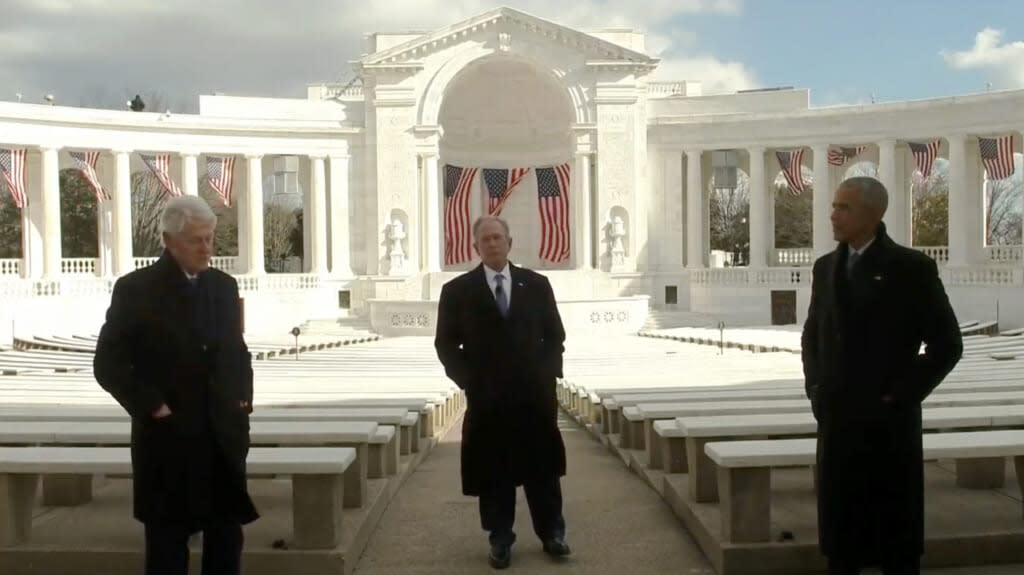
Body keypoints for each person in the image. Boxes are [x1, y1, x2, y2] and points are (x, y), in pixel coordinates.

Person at [801, 177, 963, 575]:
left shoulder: (911, 268)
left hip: (887, 425)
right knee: (842, 543)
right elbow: (812, 338)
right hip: (838, 421)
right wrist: (817, 391)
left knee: (895, 540)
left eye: (844, 208)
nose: (833, 215)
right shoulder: (825, 268)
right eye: (835, 205)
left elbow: (947, 344)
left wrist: (899, 396)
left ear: (873, 215)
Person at [94, 195, 258, 575]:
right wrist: (153, 405)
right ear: (169, 241)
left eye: (211, 238)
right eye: (196, 240)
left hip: (221, 437)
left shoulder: (223, 286)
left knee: (226, 544)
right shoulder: (136, 289)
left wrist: (242, 404)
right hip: (168, 438)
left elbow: (238, 351)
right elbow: (108, 363)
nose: (207, 249)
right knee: (168, 548)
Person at [434, 215, 570, 569]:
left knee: (543, 472)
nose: (492, 244)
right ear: (475, 247)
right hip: (488, 400)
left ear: (509, 243)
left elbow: (555, 336)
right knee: (494, 473)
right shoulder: (457, 292)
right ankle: (500, 538)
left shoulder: (537, 285)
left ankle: (553, 533)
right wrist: (470, 381)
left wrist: (547, 375)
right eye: (485, 239)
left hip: (534, 397)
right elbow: (446, 345)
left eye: (498, 237)